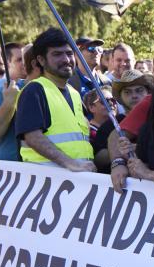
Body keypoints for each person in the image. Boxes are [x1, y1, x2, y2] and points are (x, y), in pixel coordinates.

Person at [13, 28, 95, 171]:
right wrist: (71, 163)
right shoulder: (34, 90)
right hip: (47, 178)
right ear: (41, 60)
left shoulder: (74, 93)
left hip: (76, 177)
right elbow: (32, 137)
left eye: (69, 53)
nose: (66, 60)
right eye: (57, 54)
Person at [0, 45, 35, 162]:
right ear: (7, 63)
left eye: (27, 58)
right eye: (19, 59)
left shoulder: (42, 88)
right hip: (12, 167)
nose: (25, 63)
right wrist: (9, 103)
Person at [84, 88, 118, 170]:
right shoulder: (88, 132)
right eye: (104, 101)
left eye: (113, 100)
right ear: (91, 107)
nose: (111, 103)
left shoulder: (119, 128)